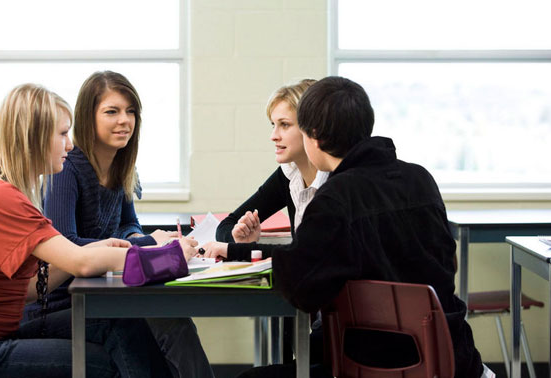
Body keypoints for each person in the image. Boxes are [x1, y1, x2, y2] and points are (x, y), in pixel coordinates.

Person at [203, 76, 486, 377]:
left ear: (313, 135)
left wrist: (251, 254)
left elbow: (301, 290)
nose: (275, 135)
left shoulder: (335, 199)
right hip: (451, 358)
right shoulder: (421, 179)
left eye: (286, 125)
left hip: (375, 364)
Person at [0, 83, 197, 377]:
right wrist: (167, 256)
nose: (69, 144)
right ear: (34, 137)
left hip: (3, 331)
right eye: (63, 134)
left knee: (123, 322)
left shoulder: (9, 194)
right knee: (109, 365)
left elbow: (29, 289)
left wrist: (93, 249)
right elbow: (81, 264)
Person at [23, 71, 214, 378]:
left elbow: (128, 223)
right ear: (88, 117)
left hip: (102, 288)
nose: (124, 120)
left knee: (172, 317)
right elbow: (67, 247)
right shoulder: (66, 170)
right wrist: (149, 243)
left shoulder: (120, 164)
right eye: (112, 112)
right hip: (61, 300)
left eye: (131, 111)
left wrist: (144, 236)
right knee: (152, 323)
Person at [216, 79, 328, 244]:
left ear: (312, 127)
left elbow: (312, 253)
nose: (273, 136)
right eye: (273, 125)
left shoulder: (339, 181)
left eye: (284, 125)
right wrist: (238, 237)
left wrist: (240, 251)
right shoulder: (289, 173)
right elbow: (226, 225)